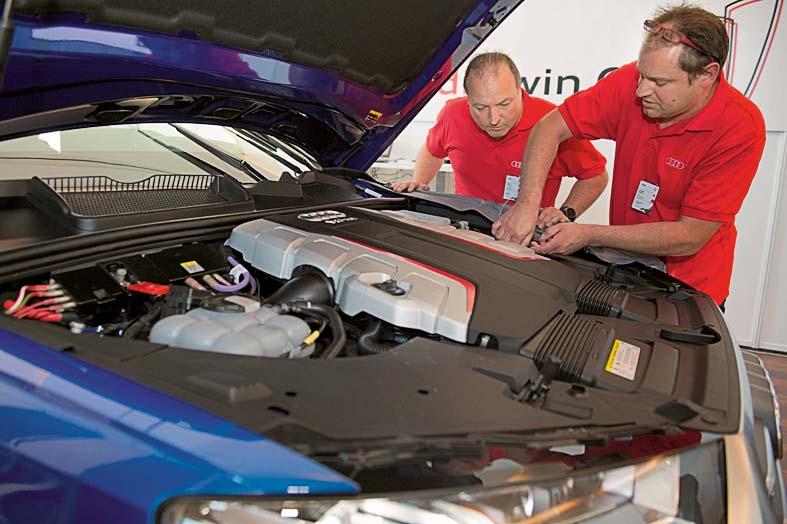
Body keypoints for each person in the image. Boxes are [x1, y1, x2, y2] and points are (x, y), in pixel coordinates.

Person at [493, 5, 765, 307]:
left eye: (659, 83)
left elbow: (690, 235)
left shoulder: (739, 127)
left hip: (687, 290)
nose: (641, 91)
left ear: (706, 75)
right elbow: (549, 127)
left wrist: (588, 234)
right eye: (642, 75)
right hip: (625, 270)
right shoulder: (630, 83)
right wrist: (527, 205)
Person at [393, 52, 608, 222]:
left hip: (523, 236)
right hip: (466, 227)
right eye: (481, 107)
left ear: (519, 90)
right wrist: (419, 181)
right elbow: (432, 150)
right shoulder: (453, 114)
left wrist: (566, 213)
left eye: (504, 104)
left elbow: (596, 176)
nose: (493, 119)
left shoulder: (551, 123)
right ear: (468, 99)